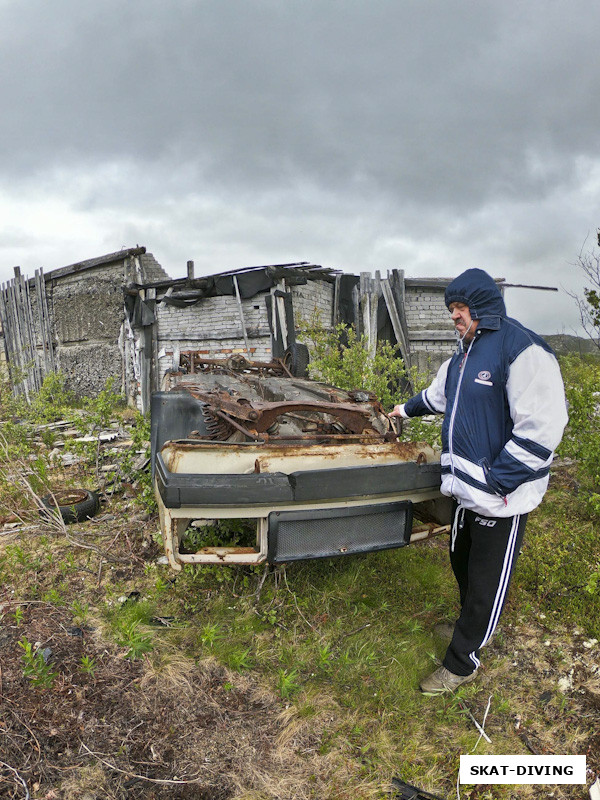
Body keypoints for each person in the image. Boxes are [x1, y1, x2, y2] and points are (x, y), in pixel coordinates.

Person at [390, 268, 568, 695]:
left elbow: (542, 428)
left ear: (482, 306)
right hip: (467, 493)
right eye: (451, 309)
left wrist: (498, 481)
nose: (454, 316)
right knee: (460, 561)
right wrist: (403, 410)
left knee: (486, 582)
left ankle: (462, 660)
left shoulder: (522, 350)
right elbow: (437, 397)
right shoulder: (462, 356)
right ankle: (469, 621)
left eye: (460, 308)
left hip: (501, 498)